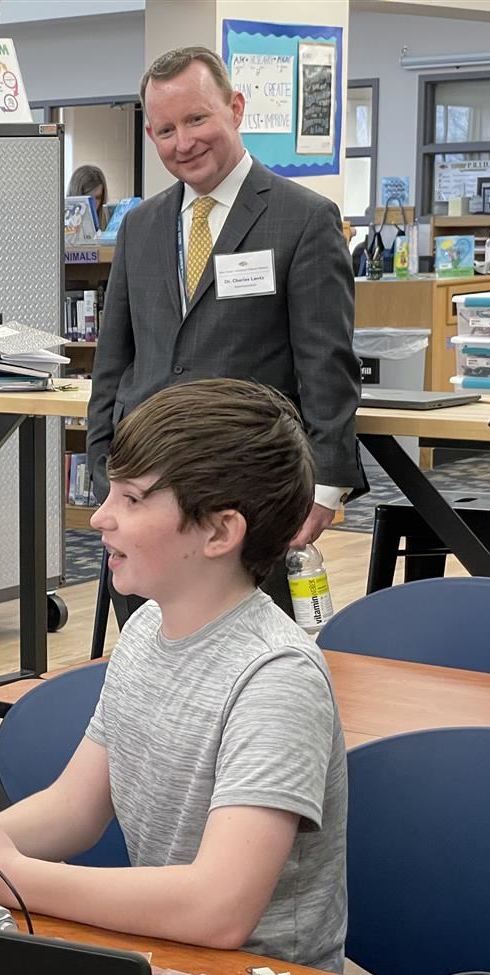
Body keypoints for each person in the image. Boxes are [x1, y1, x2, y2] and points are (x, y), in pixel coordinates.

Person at [0, 379, 349, 971]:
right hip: (167, 966)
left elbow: (220, 909)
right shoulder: (145, 632)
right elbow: (75, 809)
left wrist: (11, 877)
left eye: (133, 499)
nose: (100, 518)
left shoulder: (275, 677)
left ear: (220, 532)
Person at [88, 45, 364, 619]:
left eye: (196, 119)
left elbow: (326, 363)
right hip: (147, 501)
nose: (182, 143)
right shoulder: (140, 226)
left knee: (248, 676)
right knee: (150, 672)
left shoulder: (304, 218)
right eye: (165, 130)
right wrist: (102, 470)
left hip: (250, 494)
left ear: (235, 108)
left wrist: (326, 487)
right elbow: (113, 363)